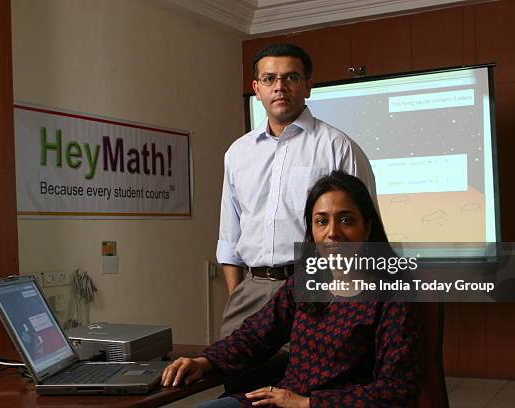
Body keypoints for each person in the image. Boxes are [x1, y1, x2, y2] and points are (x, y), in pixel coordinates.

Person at [164, 171, 421, 408]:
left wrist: (307, 403)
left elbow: (397, 389)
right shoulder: (305, 282)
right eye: (322, 221)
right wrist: (204, 361)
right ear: (312, 231)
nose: (333, 232)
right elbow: (255, 335)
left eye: (346, 220)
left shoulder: (393, 295)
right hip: (282, 401)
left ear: (367, 227)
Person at [217, 43, 377, 340]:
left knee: (306, 383)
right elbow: (230, 235)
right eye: (269, 79)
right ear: (257, 87)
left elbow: (364, 231)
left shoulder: (337, 147)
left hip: (316, 288)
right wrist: (237, 293)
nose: (279, 87)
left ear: (308, 86)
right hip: (251, 291)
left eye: (291, 77)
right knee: (237, 379)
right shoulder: (237, 153)